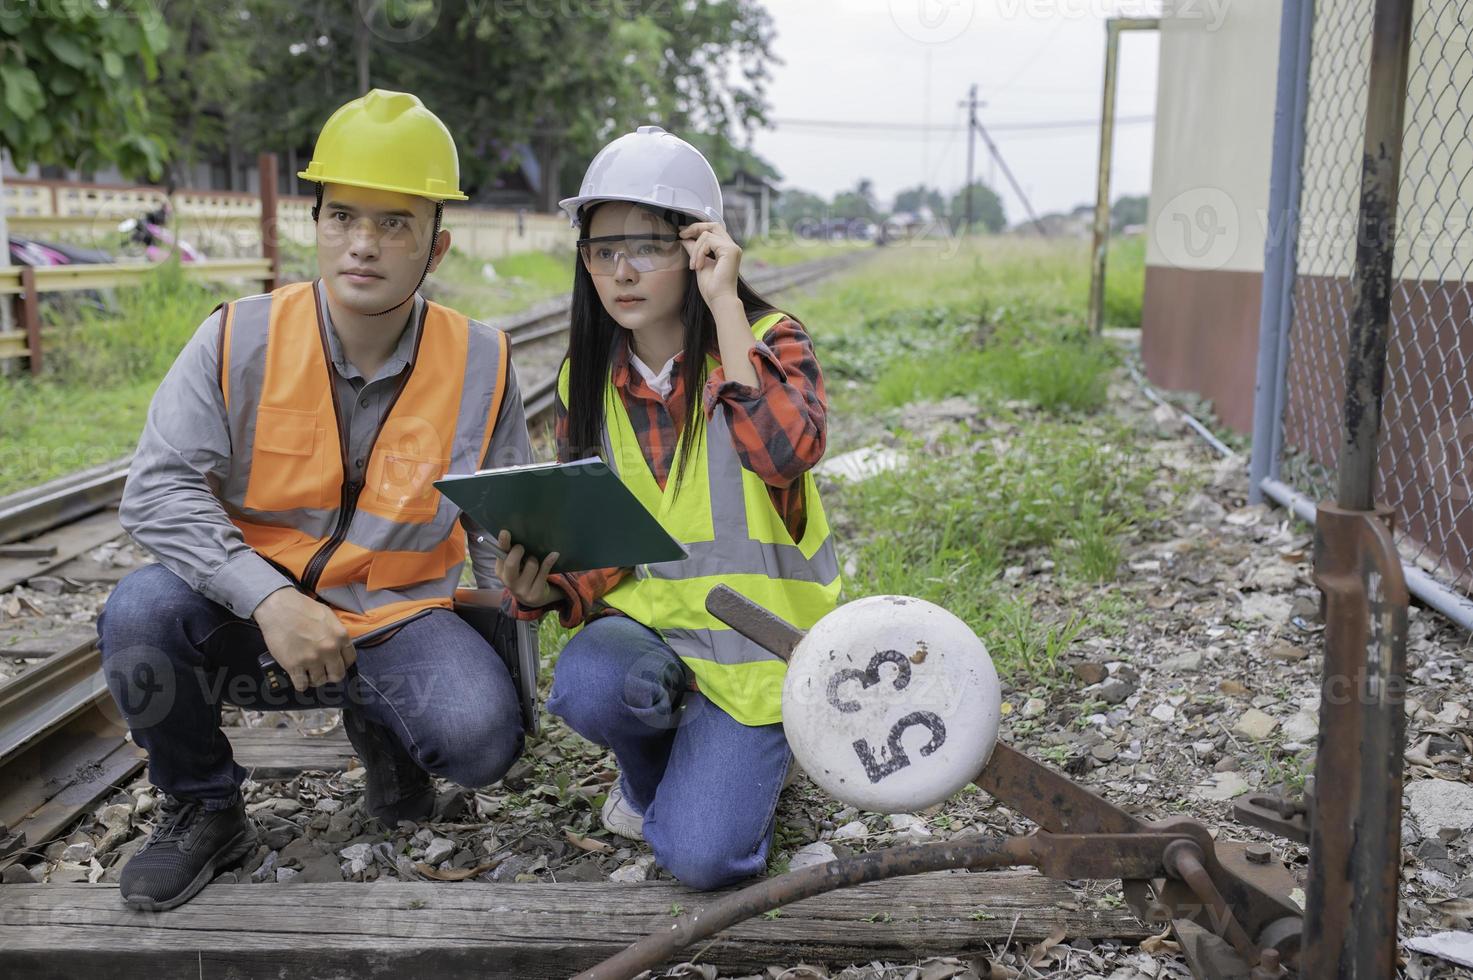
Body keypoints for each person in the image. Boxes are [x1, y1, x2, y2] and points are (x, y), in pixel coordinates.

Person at [98, 90, 532, 911]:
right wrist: (267, 598)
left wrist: (522, 600)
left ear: (435, 248)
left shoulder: (483, 360)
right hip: (249, 613)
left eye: (393, 223)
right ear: (317, 223)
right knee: (139, 615)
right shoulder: (237, 336)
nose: (362, 244)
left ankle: (390, 738)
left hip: (398, 615)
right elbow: (154, 490)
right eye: (341, 217)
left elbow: (498, 518)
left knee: (478, 739)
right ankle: (204, 807)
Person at [497, 126, 841, 890]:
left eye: (646, 247)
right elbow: (604, 541)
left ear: (699, 247)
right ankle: (685, 767)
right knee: (587, 683)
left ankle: (742, 765)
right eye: (600, 250)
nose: (619, 271)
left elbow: (784, 453)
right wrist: (547, 587)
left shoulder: (768, 340)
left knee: (703, 859)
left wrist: (724, 312)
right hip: (652, 644)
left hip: (760, 657)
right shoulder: (583, 381)